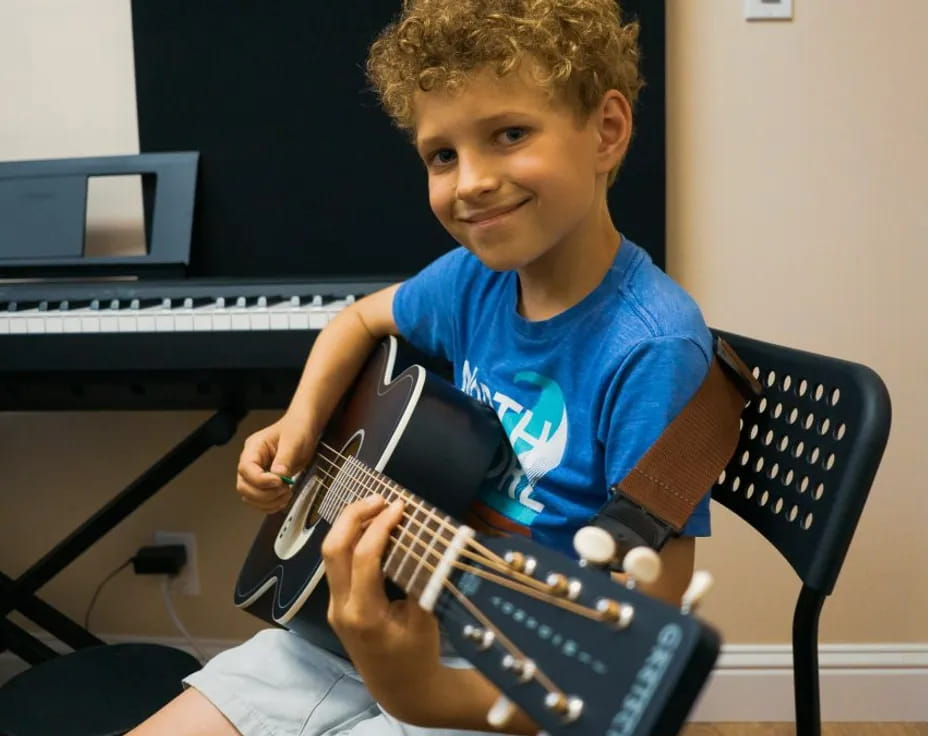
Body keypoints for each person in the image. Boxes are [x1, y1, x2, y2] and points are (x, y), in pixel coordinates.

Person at [130, 0, 714, 733]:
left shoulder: (652, 349)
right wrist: (302, 426)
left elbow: (629, 664)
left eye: (509, 134)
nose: (468, 182)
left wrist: (421, 693)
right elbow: (357, 320)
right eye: (443, 156)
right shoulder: (473, 281)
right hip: (387, 613)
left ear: (606, 130)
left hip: (516, 675)